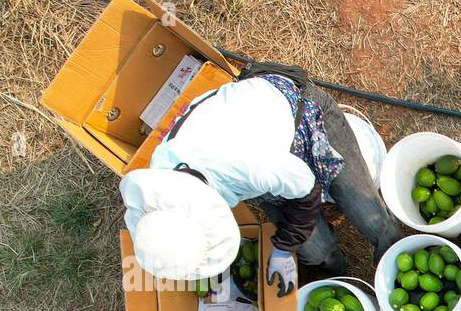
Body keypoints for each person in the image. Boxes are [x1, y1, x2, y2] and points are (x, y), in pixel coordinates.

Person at [119, 65, 401, 294]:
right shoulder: (164, 174)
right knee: (316, 252)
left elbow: (306, 189)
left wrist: (283, 248)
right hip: (266, 150)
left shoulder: (244, 164)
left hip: (304, 118)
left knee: (371, 217)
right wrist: (287, 247)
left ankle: (394, 266)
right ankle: (340, 284)